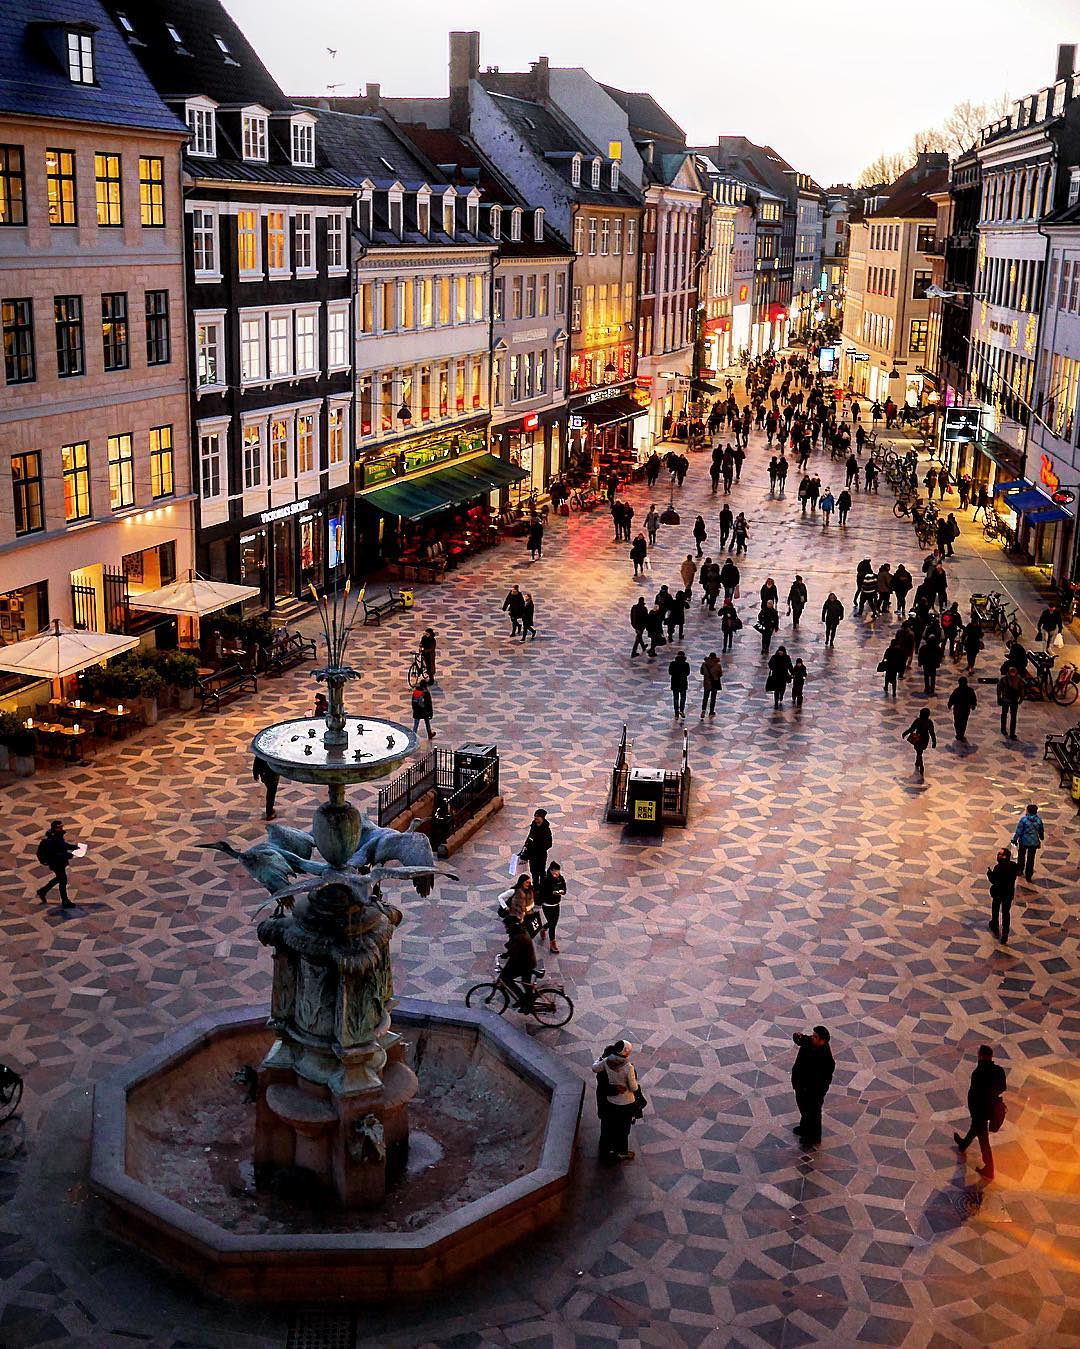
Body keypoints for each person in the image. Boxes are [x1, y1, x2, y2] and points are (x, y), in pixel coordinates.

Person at [953, 1045, 1007, 1180]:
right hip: (990, 1108)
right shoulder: (998, 1070)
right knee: (975, 1128)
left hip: (980, 1110)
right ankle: (963, 1144)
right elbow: (1002, 1087)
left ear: (981, 1055)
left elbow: (975, 1093)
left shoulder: (979, 1072)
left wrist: (974, 1107)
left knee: (983, 1141)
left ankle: (989, 1168)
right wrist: (992, 1095)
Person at [592, 1040, 641, 1164]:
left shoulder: (604, 1064)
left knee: (607, 1126)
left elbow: (595, 1068)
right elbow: (633, 1087)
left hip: (606, 1105)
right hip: (623, 1105)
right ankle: (620, 1152)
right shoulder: (628, 1067)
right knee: (623, 1129)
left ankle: (605, 1147)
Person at [791, 1025, 834, 1146]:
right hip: (801, 1085)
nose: (812, 1037)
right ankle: (804, 1128)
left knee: (813, 1113)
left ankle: (813, 1137)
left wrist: (817, 1092)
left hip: (813, 1092)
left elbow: (824, 1079)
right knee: (804, 1110)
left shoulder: (826, 1058)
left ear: (822, 1041)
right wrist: (797, 1036)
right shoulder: (811, 1042)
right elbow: (799, 1039)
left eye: (815, 1036)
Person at [36, 819, 78, 910]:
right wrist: (67, 855)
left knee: (60, 878)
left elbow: (63, 845)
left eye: (62, 826)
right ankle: (65, 901)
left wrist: (74, 847)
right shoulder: (52, 839)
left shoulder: (58, 836)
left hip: (60, 862)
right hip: (56, 863)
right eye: (59, 827)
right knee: (63, 880)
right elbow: (54, 854)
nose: (62, 828)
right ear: (55, 828)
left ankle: (43, 891)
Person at [987, 847, 1019, 943]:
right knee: (1006, 913)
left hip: (998, 892)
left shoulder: (998, 868)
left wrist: (989, 873)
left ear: (1005, 856)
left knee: (995, 909)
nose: (998, 856)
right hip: (1008, 893)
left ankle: (995, 925)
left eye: (1000, 854)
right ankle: (1005, 933)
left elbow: (993, 880)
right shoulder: (1013, 866)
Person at [537, 860, 566, 952]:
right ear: (551, 870)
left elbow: (564, 887)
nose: (557, 873)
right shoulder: (545, 879)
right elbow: (542, 892)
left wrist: (562, 891)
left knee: (553, 922)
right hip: (547, 905)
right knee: (552, 924)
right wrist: (552, 893)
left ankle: (544, 928)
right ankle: (552, 943)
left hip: (556, 903)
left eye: (558, 871)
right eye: (556, 871)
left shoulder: (560, 878)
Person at [1011, 803, 1045, 881]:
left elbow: (1019, 831)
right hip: (1034, 842)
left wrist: (1014, 839)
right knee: (1031, 858)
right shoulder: (1039, 820)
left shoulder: (1024, 820)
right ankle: (1029, 874)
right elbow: (1041, 830)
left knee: (1021, 856)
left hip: (1023, 841)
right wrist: (1041, 837)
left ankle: (1020, 870)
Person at [522, 808, 553, 890]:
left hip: (541, 855)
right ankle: (536, 888)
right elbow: (529, 839)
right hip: (532, 856)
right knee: (534, 873)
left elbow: (549, 844)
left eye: (538, 817)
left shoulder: (546, 830)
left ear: (542, 818)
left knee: (541, 872)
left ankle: (543, 887)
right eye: (535, 817)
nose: (536, 819)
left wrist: (538, 847)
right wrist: (525, 852)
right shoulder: (533, 826)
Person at [903, 708, 936, 777]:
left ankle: (921, 765)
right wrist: (934, 741)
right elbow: (932, 733)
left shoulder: (918, 721)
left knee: (919, 752)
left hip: (918, 738)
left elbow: (912, 729)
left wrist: (905, 733)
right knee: (919, 752)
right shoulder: (929, 722)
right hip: (925, 739)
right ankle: (918, 762)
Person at [997, 664, 1024, 739]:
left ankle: (1012, 733)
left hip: (1014, 700)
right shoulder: (1004, 680)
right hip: (1006, 699)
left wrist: (1021, 697)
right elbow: (999, 688)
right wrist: (999, 698)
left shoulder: (1018, 679)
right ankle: (1003, 729)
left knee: (1013, 717)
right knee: (1004, 714)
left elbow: (1021, 689)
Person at [947, 675, 978, 741]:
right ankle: (959, 734)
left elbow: (973, 699)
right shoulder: (959, 691)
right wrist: (950, 704)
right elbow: (952, 698)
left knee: (961, 722)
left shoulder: (967, 690)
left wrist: (973, 705)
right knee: (959, 722)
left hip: (963, 709)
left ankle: (960, 734)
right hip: (960, 709)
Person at [252, 754, 281, 820]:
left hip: (264, 774)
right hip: (271, 776)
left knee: (270, 791)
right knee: (271, 793)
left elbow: (256, 762)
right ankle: (269, 812)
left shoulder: (262, 752)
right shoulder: (272, 753)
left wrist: (255, 774)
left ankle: (270, 810)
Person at [699, 652, 723, 718]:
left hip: (707, 683)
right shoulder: (718, 665)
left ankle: (703, 710)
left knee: (705, 697)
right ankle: (711, 711)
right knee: (713, 698)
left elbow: (701, 672)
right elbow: (720, 674)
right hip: (714, 683)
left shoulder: (704, 664)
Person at [669, 649, 690, 719]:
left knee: (676, 698)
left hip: (675, 683)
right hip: (683, 683)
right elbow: (687, 673)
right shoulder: (686, 664)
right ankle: (681, 710)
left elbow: (670, 672)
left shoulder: (673, 663)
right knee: (683, 698)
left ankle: (676, 713)